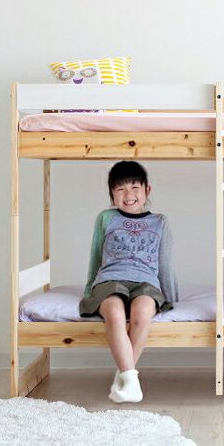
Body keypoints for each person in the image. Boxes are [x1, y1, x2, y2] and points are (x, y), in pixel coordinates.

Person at [79, 161, 178, 402]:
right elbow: (95, 256)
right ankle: (132, 383)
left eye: (134, 187)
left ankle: (124, 377)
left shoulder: (160, 221)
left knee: (141, 313)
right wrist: (89, 290)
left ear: (147, 190)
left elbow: (165, 262)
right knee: (114, 313)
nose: (128, 195)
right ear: (111, 194)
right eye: (120, 189)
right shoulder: (106, 218)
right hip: (110, 279)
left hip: (146, 282)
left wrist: (170, 297)